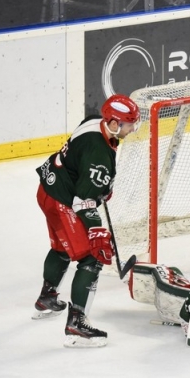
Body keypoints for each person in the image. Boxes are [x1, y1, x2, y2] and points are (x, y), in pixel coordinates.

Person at [32, 93, 141, 348]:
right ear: (113, 123)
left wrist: (100, 187)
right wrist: (96, 231)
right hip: (63, 201)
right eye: (129, 124)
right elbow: (83, 201)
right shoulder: (99, 155)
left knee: (62, 247)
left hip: (48, 189)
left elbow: (81, 164)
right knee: (92, 257)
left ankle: (47, 297)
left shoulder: (94, 121)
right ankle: (76, 324)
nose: (133, 129)